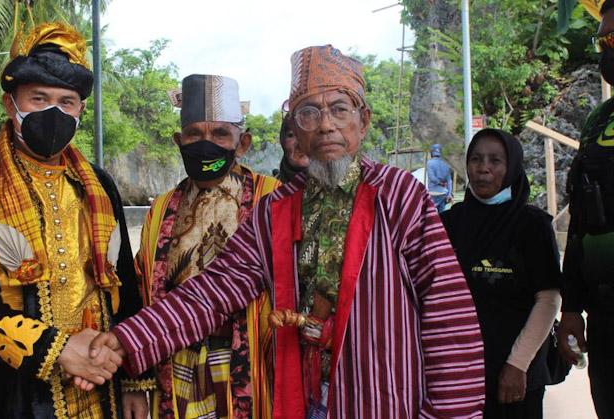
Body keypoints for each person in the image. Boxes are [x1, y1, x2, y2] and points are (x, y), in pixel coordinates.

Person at [92, 45, 486, 418]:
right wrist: (128, 341)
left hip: (381, 398)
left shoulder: (400, 197)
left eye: (339, 109)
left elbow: (449, 318)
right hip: (303, 399)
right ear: (296, 131)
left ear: (362, 121)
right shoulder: (276, 210)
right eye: (310, 113)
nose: (327, 125)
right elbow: (212, 293)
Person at [0, 22, 147, 418]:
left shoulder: (99, 186)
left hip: (102, 384)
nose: (54, 112)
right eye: (38, 98)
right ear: (9, 103)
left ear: (81, 110)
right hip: (11, 395)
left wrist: (134, 378)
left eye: (66, 102)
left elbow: (125, 285)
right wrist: (61, 351)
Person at [135, 74, 280, 418]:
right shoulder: (161, 210)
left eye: (219, 134)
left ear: (242, 143)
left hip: (250, 364)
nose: (206, 144)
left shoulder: (272, 198)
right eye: (194, 134)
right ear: (178, 140)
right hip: (176, 360)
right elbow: (142, 291)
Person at [441, 129, 562, 419]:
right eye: (476, 159)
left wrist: (517, 364)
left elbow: (548, 299)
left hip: (515, 374)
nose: (483, 168)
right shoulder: (449, 222)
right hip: (458, 371)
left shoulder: (532, 226)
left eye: (495, 160)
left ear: (511, 168)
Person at [558, 1, 614, 417]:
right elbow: (579, 220)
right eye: (602, 41)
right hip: (605, 313)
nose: (605, 52)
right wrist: (572, 308)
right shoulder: (598, 120)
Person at [276, 114, 309, 182]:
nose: (301, 143)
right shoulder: (271, 188)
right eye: (291, 135)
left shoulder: (334, 186)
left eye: (308, 133)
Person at [426, 143, 453, 213]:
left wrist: (440, 183)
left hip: (433, 193)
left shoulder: (430, 163)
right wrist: (449, 193)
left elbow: (432, 178)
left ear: (432, 152)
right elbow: (449, 180)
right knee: (443, 215)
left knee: (432, 215)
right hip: (444, 193)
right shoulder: (446, 163)